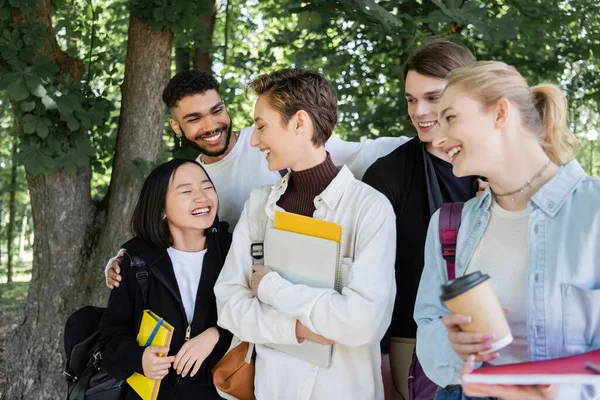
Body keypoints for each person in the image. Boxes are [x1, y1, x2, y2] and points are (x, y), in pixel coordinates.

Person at [106, 69, 409, 288]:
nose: (211, 125)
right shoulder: (191, 183)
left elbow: (364, 152)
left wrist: (432, 136)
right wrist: (123, 259)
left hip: (299, 282)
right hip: (240, 294)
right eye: (194, 119)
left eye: (217, 110)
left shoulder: (274, 139)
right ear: (176, 126)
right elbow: (167, 236)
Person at [414, 60, 599, 400]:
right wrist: (453, 346)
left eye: (451, 118)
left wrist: (561, 391)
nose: (438, 139)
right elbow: (427, 332)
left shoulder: (594, 212)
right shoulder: (448, 224)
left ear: (500, 113)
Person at [214, 68, 397, 399]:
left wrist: (270, 288)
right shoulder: (258, 206)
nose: (253, 141)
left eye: (260, 126)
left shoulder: (370, 209)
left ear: (299, 123)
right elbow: (228, 303)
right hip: (271, 389)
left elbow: (362, 322)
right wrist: (296, 328)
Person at [362, 39, 481, 399]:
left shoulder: (499, 170)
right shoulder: (389, 175)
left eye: (433, 97)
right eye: (411, 99)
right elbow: (370, 277)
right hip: (413, 343)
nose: (420, 111)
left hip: (498, 335)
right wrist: (380, 363)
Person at [99, 159, 233, 399]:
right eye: (186, 191)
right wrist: (138, 359)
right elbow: (110, 339)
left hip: (219, 392)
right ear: (161, 209)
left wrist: (216, 335)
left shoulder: (233, 252)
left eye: (207, 186)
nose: (202, 196)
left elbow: (255, 317)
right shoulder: (136, 263)